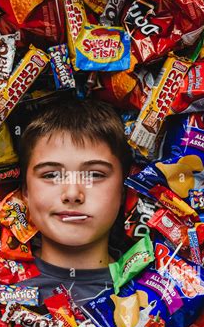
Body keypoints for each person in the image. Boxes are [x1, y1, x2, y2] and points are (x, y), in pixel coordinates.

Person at [18, 98, 132, 306]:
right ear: (25, 191)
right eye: (51, 175)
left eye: (95, 175)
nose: (72, 193)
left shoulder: (154, 294)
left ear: (123, 190)